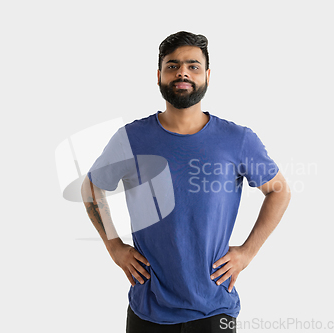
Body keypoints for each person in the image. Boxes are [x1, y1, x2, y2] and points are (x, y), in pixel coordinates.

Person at [81, 31, 291, 333]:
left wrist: (246, 253)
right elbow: (91, 186)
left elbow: (279, 191)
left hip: (214, 308)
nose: (182, 72)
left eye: (193, 66)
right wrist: (114, 246)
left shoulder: (238, 140)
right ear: (158, 76)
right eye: (172, 65)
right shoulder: (131, 138)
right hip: (148, 308)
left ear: (207, 75)